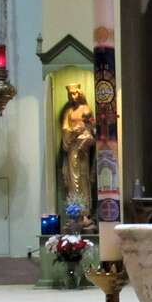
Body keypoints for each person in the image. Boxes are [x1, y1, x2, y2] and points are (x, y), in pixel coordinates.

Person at [60, 84, 95, 230]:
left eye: (75, 94)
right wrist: (73, 131)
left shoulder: (86, 109)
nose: (73, 97)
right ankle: (74, 214)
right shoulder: (69, 112)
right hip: (72, 149)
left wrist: (85, 135)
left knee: (83, 178)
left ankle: (85, 213)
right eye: (70, 94)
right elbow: (65, 128)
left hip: (83, 150)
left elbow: (92, 129)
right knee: (73, 181)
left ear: (79, 94)